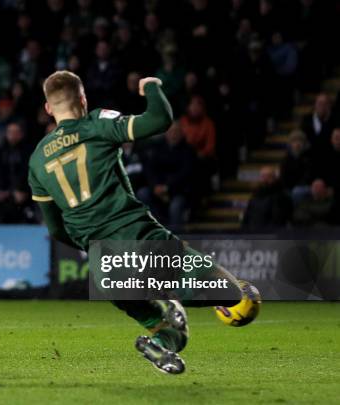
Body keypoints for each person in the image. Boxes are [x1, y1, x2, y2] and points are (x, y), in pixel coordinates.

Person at [28, 71, 260, 374]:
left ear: (48, 108)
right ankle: (174, 297)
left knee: (171, 330)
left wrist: (90, 244)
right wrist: (152, 86)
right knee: (233, 293)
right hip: (139, 237)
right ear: (83, 100)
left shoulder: (36, 160)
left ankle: (160, 345)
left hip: (104, 269)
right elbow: (159, 120)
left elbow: (56, 229)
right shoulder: (97, 122)